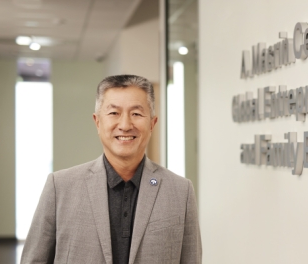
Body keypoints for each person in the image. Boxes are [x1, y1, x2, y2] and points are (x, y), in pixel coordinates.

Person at [21, 75, 201, 264]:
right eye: (114, 113)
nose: (125, 125)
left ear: (152, 124)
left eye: (137, 114)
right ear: (97, 122)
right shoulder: (60, 187)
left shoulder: (181, 192)